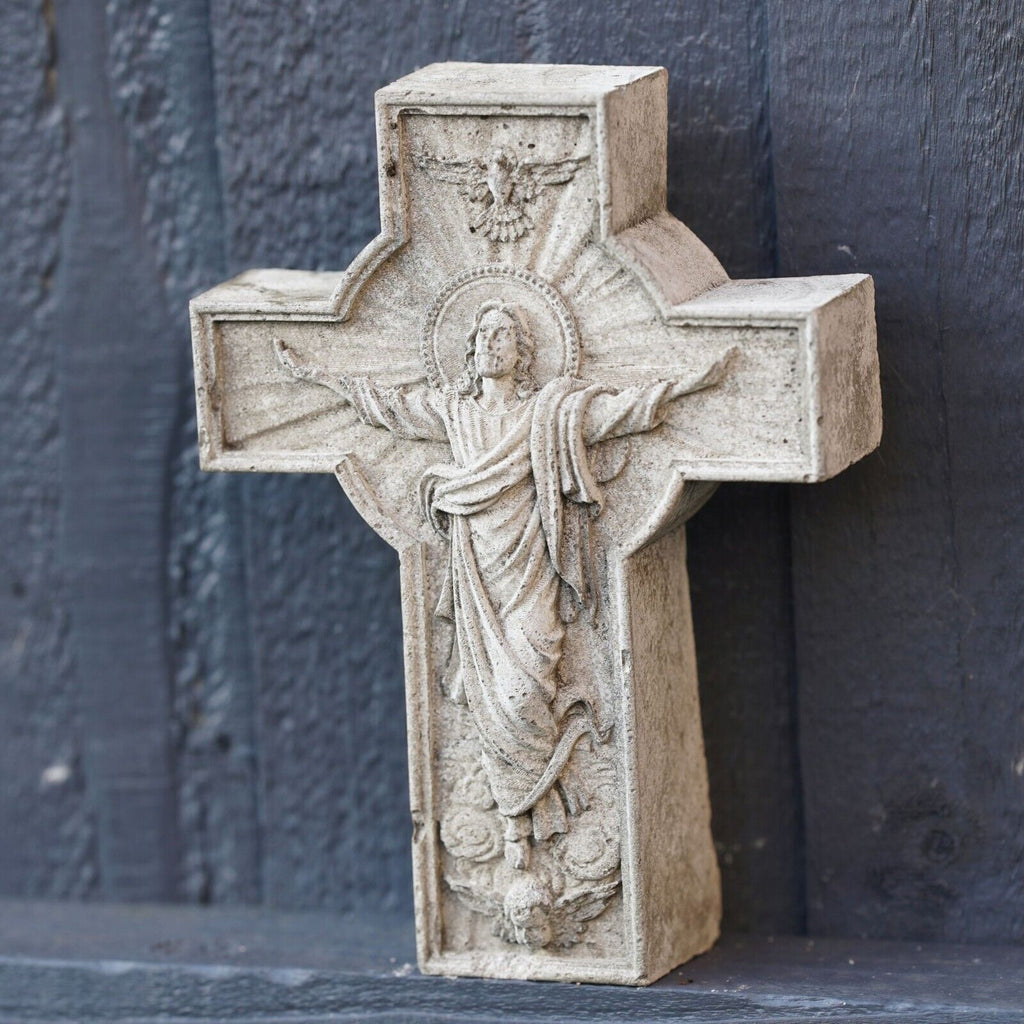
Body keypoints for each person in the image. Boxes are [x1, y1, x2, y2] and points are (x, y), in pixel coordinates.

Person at [275, 301, 730, 870]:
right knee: (492, 705)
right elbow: (386, 407)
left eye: (502, 334)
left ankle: (540, 811)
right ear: (469, 350)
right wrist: (314, 374)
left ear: (523, 351)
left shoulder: (548, 415)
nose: (490, 342)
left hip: (531, 581)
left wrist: (692, 383)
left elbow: (619, 412)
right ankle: (520, 835)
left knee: (524, 694)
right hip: (477, 584)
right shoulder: (453, 412)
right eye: (481, 334)